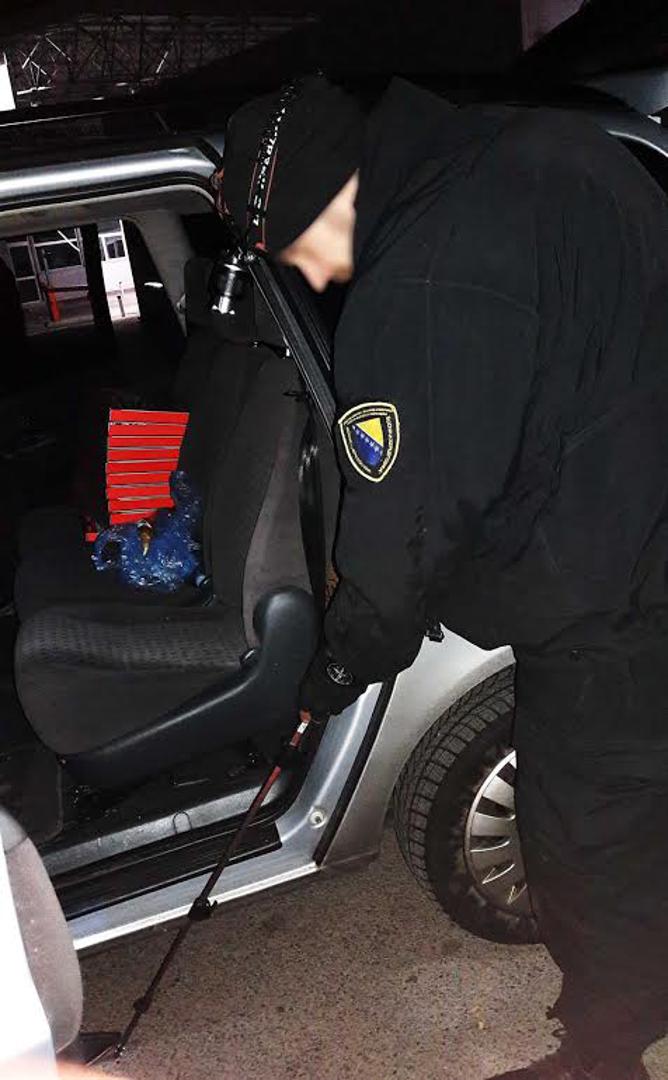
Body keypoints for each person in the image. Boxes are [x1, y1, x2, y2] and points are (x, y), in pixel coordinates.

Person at [221, 74, 668, 1080]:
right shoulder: (537, 148)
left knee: (584, 836)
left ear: (323, 198)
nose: (309, 269)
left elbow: (407, 533)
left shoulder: (421, 277)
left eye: (294, 245)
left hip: (619, 599)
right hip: (640, 529)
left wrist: (339, 665)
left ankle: (602, 1056)